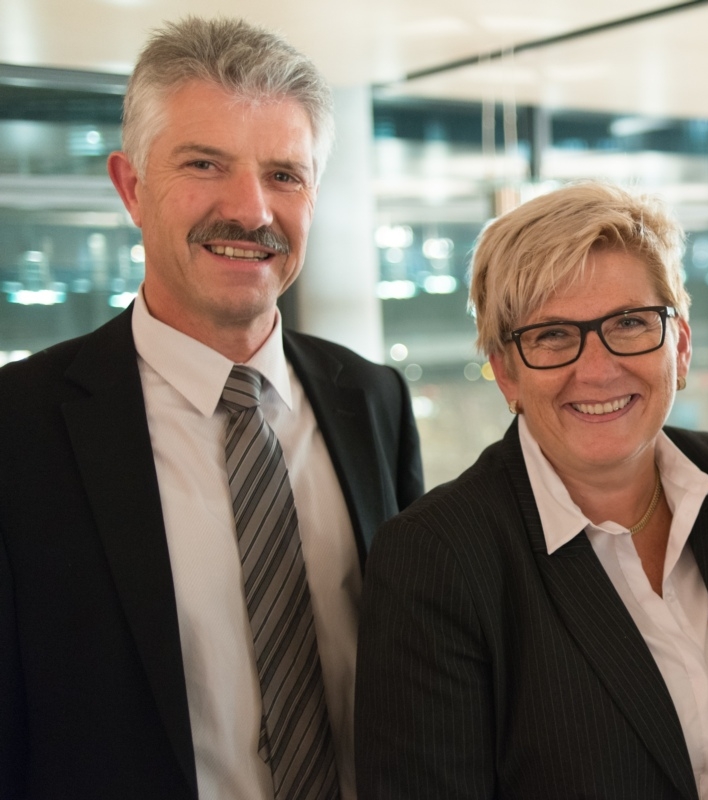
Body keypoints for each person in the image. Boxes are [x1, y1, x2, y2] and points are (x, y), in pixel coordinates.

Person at [0, 17, 423, 800]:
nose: (251, 211)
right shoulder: (17, 429)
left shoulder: (372, 400)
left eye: (284, 175)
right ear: (131, 187)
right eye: (205, 164)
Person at [356, 182, 708, 799]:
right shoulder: (435, 558)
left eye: (630, 322)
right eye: (552, 335)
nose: (596, 369)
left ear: (680, 345)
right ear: (506, 373)